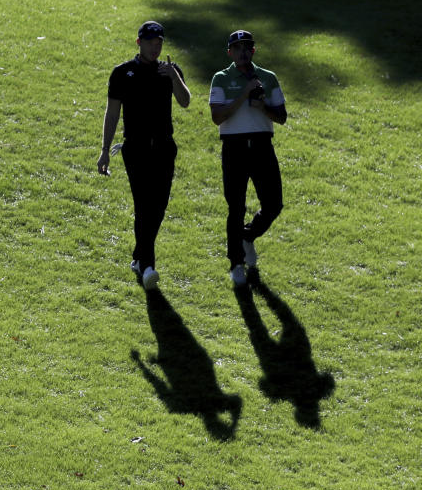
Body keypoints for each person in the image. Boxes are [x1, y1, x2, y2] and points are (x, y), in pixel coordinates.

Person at [97, 20, 191, 289]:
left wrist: (174, 77)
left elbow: (185, 101)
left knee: (158, 206)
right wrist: (105, 150)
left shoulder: (169, 71)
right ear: (139, 43)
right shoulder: (122, 73)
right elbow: (112, 113)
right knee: (143, 204)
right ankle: (149, 266)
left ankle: (139, 257)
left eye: (159, 41)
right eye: (150, 41)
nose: (155, 46)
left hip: (164, 146)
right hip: (135, 148)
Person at [208, 30, 288, 287]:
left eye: (247, 47)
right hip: (234, 147)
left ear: (253, 51)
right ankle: (236, 263)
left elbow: (282, 116)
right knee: (236, 207)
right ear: (229, 52)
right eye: (237, 47)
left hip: (262, 145)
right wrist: (244, 94)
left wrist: (263, 106)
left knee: (274, 203)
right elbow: (218, 117)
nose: (243, 52)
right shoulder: (220, 78)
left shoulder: (268, 77)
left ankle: (248, 236)